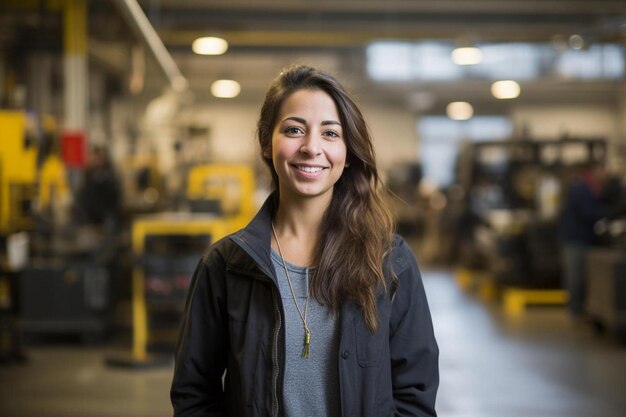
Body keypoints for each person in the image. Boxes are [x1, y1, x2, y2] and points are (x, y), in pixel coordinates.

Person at [170, 65, 439, 417]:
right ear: (267, 142)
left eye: (330, 133)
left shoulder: (389, 261)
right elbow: (195, 393)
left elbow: (414, 394)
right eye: (294, 129)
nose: (312, 147)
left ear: (347, 150)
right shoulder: (226, 265)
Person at [559, 163, 607, 318]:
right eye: (601, 171)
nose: (603, 174)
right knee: (575, 275)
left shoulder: (592, 188)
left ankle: (581, 308)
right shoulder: (580, 189)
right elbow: (588, 212)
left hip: (585, 238)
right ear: (592, 172)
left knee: (581, 275)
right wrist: (608, 214)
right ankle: (575, 310)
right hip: (575, 239)